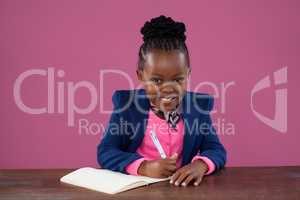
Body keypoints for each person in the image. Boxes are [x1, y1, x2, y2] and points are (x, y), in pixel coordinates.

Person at [97, 15, 226, 187]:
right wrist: (144, 167)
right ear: (141, 76)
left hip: (181, 189)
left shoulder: (198, 108)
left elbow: (216, 150)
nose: (168, 88)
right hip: (139, 190)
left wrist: (200, 165)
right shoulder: (128, 108)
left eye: (178, 79)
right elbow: (106, 152)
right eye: (157, 81)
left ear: (188, 75)